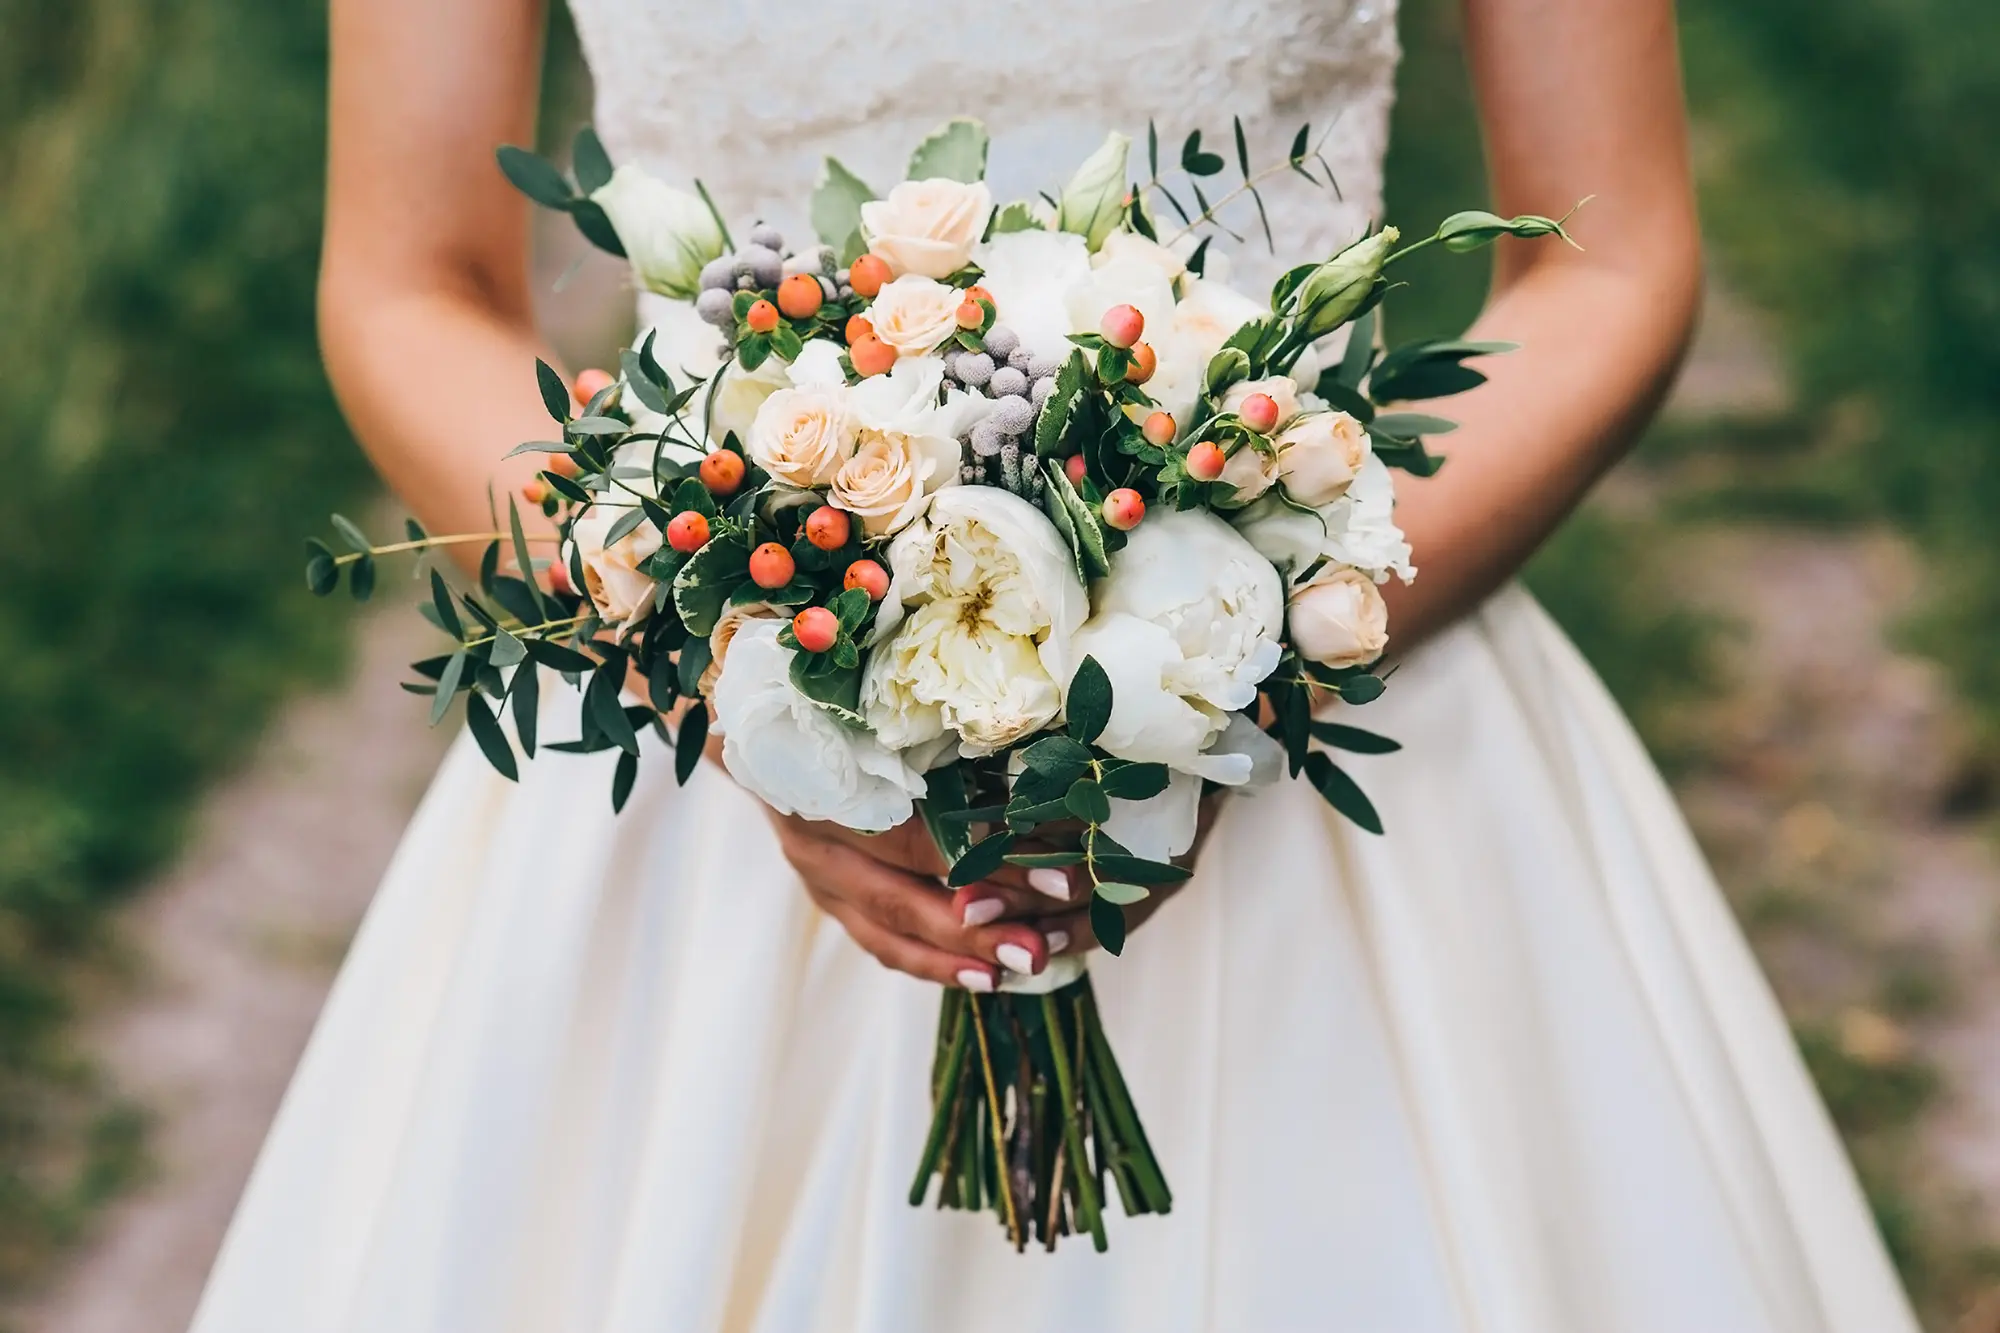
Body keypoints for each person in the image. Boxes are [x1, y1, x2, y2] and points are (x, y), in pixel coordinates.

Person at [191, 1, 1920, 1329]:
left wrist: (1238, 645)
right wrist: (734, 670)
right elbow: (410, 281)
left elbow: (1613, 255)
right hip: (726, 733)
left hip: (1327, 704)